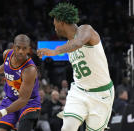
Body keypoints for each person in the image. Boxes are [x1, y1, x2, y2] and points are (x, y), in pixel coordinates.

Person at [37, 3, 114, 131]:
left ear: (61, 21)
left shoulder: (86, 30)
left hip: (101, 93)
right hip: (78, 91)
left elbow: (78, 43)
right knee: (67, 127)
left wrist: (54, 51)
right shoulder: (68, 44)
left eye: (54, 22)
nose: (54, 27)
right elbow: (72, 45)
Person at [0, 34, 41, 131]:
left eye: (24, 48)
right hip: (10, 99)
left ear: (29, 50)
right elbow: (6, 66)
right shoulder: (7, 54)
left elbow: (23, 100)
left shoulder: (29, 70)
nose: (21, 51)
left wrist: (1, 113)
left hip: (29, 103)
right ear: (13, 47)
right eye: (18, 48)